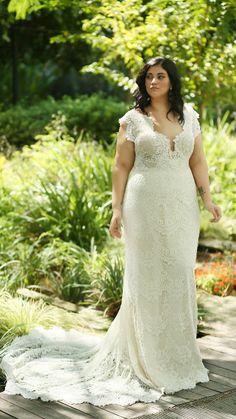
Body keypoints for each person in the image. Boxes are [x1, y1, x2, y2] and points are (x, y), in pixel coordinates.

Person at [0, 57, 222, 407]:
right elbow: (120, 166)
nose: (153, 81)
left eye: (160, 76)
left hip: (182, 206)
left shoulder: (189, 115)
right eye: (148, 76)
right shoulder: (132, 120)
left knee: (179, 274)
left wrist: (207, 199)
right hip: (143, 204)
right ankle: (145, 359)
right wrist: (116, 209)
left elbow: (198, 161)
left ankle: (178, 355)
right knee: (146, 277)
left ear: (172, 80)